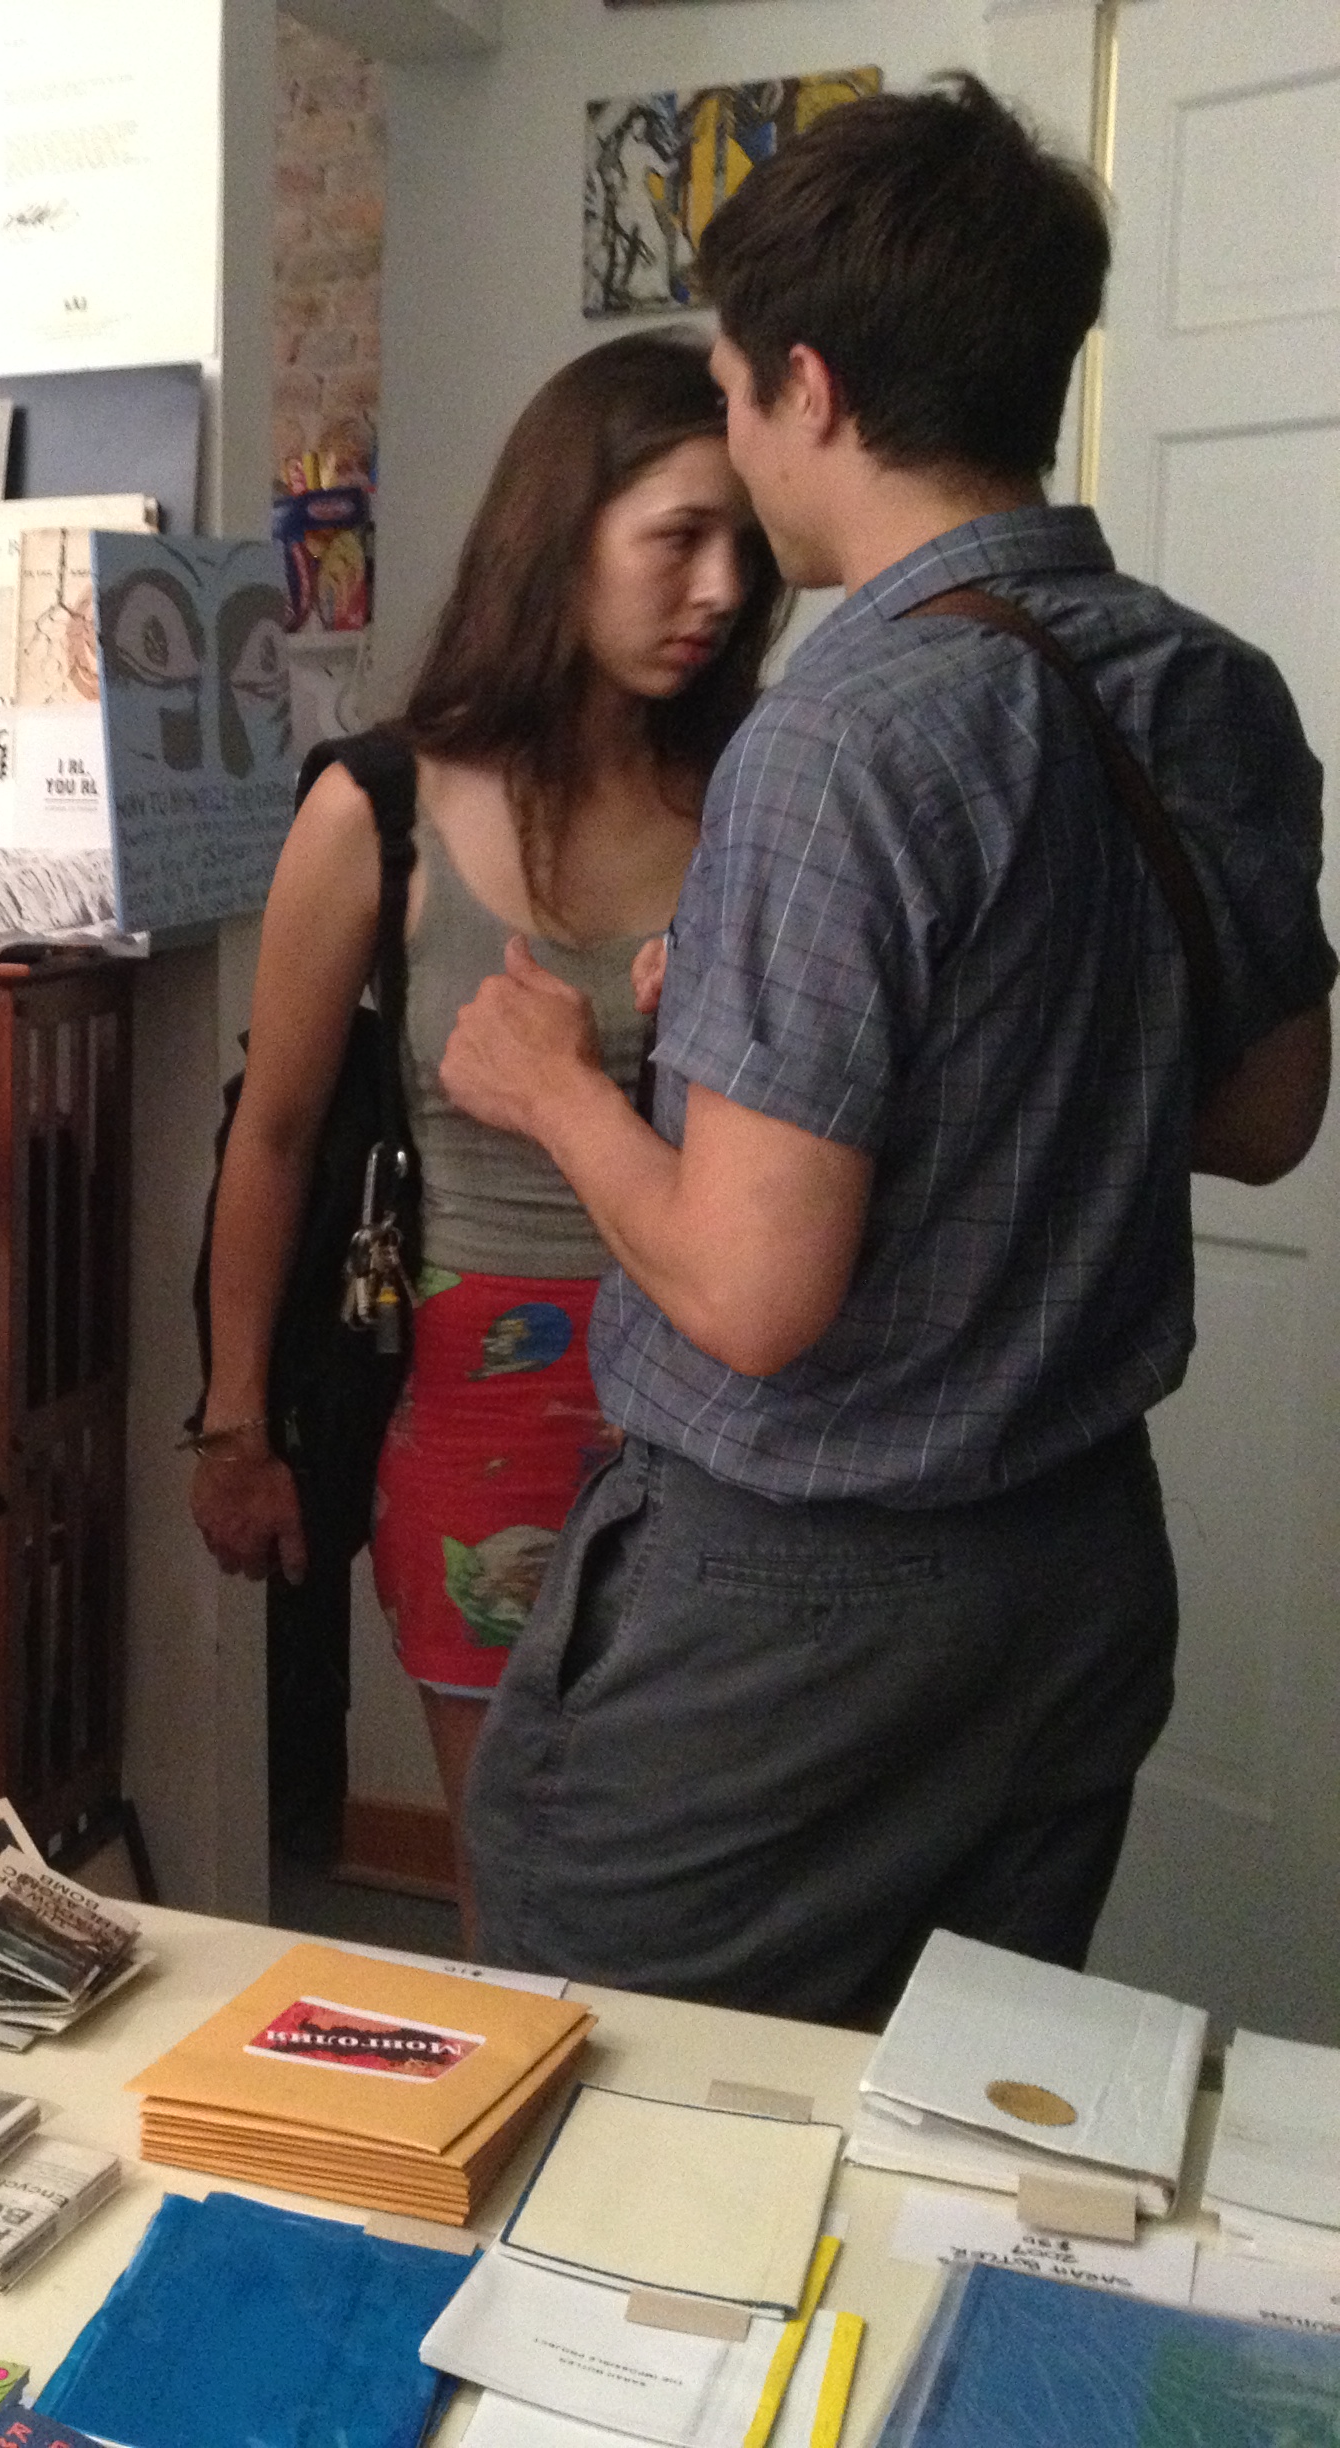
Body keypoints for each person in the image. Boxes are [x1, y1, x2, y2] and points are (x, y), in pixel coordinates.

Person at [439, 78, 1333, 2022]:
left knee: (628, 2081)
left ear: (808, 389)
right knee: (947, 2105)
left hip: (795, 1608)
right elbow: (1266, 1114)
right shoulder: (1209, 686)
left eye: (733, 386)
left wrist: (556, 1088)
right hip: (1073, 1571)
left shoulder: (841, 736)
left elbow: (754, 1292)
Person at [190, 334, 780, 1929]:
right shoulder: (374, 813)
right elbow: (274, 1135)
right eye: (678, 536)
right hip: (473, 1412)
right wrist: (235, 1424)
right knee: (521, 1886)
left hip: (722, 1414)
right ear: (558, 534)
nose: (722, 588)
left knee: (706, 1888)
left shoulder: (762, 796)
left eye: (745, 543)